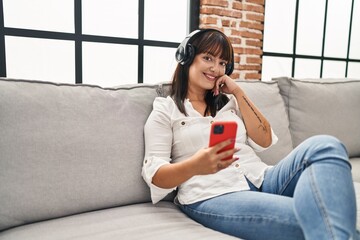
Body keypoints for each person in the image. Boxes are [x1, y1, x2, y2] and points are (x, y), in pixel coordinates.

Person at [141, 28, 359, 240]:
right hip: (212, 194)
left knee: (327, 145)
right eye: (208, 58)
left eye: (222, 63)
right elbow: (155, 176)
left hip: (263, 178)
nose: (216, 68)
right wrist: (195, 165)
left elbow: (264, 140)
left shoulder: (230, 103)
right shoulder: (165, 110)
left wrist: (237, 91)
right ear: (187, 57)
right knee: (315, 217)